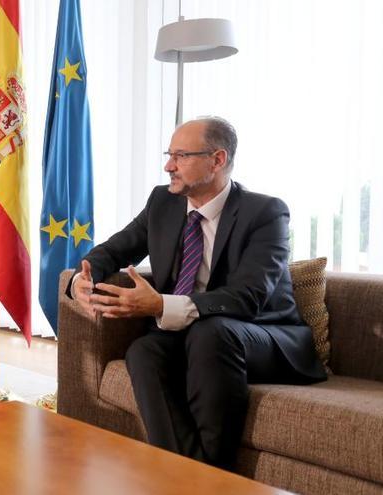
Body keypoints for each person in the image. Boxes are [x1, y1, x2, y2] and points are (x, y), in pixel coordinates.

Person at [69, 116, 326, 469]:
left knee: (212, 331)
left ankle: (209, 478)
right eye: (169, 154)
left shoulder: (265, 212)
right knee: (144, 351)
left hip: (266, 335)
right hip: (196, 334)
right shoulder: (164, 202)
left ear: (217, 160)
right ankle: (192, 478)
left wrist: (160, 304)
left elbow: (248, 297)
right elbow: (115, 250)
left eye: (181, 156)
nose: (168, 166)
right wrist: (82, 278)